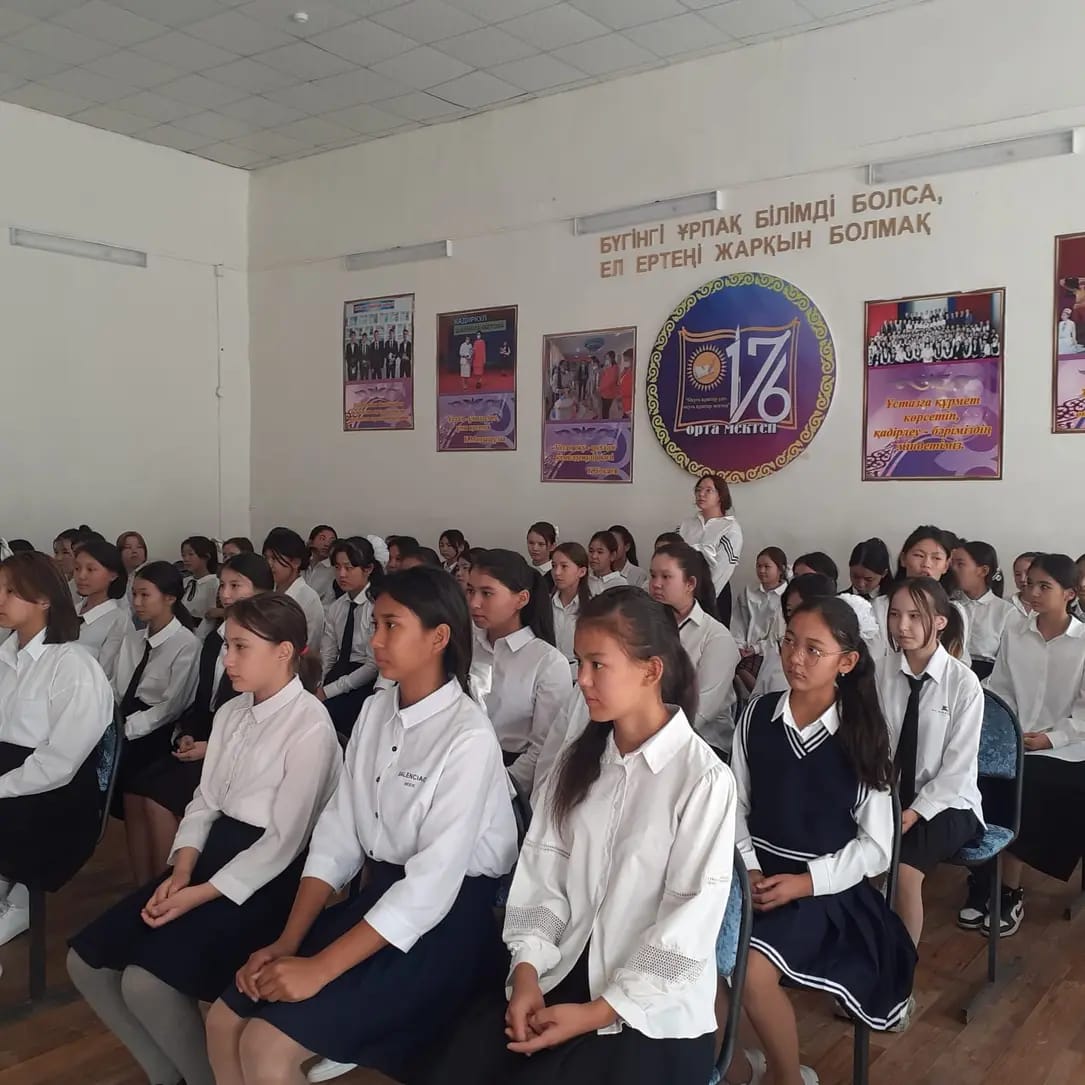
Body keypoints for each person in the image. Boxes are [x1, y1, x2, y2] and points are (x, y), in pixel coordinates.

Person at [206, 567, 518, 1085]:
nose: (375, 640)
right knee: (224, 1021)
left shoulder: (467, 736)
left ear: (438, 637)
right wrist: (289, 940)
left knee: (265, 1046)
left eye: (392, 625)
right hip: (378, 901)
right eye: (375, 624)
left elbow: (431, 887)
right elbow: (338, 836)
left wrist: (320, 968)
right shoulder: (375, 711)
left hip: (446, 922)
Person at [423, 587, 737, 1085]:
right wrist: (527, 972)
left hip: (648, 1010)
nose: (582, 680)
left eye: (597, 665)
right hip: (562, 971)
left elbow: (687, 924)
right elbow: (543, 879)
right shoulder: (579, 763)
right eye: (579, 663)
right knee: (457, 1063)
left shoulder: (703, 779)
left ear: (651, 671)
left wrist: (595, 1014)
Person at [68, 594, 341, 1085]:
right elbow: (204, 802)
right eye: (226, 645)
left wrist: (197, 893)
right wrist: (182, 871)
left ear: (283, 652)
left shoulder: (310, 726)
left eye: (240, 647)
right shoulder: (232, 712)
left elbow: (284, 842)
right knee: (86, 962)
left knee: (147, 984)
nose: (227, 659)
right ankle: (165, 1073)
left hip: (266, 878)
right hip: (209, 858)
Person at [730, 598, 916, 1085]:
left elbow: (877, 847)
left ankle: (788, 1078)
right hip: (752, 877)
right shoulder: (756, 716)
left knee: (752, 969)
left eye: (814, 649)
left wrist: (805, 883)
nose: (795, 657)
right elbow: (734, 807)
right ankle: (737, 1067)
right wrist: (750, 867)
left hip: (826, 890)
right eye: (790, 641)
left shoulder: (864, 734)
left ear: (846, 662)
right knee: (686, 950)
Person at [122, 554, 275, 857]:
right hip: (209, 738)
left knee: (158, 799)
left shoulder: (267, 643)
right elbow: (205, 700)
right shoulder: (216, 639)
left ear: (262, 591)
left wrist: (212, 747)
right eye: (222, 585)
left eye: (235, 586)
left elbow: (261, 719)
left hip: (240, 750)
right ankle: (146, 881)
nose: (225, 594)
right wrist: (188, 733)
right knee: (133, 792)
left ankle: (171, 878)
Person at [966, 553, 1085, 937]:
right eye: (1030, 583)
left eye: (1044, 586)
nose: (1032, 592)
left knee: (1027, 783)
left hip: (1068, 747)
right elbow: (999, 689)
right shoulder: (1015, 633)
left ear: (1069, 594)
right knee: (977, 773)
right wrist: (1007, 730)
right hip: (1015, 736)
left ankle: (1009, 890)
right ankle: (982, 875)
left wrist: (1051, 738)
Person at [0, 553, 113, 947]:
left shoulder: (73, 666)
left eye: (11, 591)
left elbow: (61, 762)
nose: (0, 599)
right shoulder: (6, 656)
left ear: (45, 599)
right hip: (14, 778)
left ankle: (19, 901)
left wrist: (2, 786)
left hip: (54, 796)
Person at [876, 579, 983, 947]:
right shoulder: (880, 673)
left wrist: (914, 812)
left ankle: (900, 972)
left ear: (939, 622)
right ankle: (858, 955)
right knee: (855, 856)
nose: (901, 626)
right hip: (891, 796)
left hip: (948, 803)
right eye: (894, 615)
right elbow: (873, 747)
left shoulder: (963, 683)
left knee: (905, 872)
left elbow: (958, 770)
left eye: (914, 616)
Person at [115, 562, 201, 884]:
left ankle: (160, 883)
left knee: (148, 801)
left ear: (170, 598)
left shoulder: (186, 643)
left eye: (145, 595)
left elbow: (171, 705)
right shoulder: (133, 639)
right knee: (130, 805)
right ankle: (141, 884)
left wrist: (128, 730)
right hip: (126, 723)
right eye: (134, 594)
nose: (136, 602)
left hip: (158, 733)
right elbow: (118, 688)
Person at [467, 549, 569, 796]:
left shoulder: (547, 662)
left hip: (511, 777)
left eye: (487, 593)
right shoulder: (467, 646)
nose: (474, 603)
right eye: (470, 591)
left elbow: (544, 747)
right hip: (462, 763)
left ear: (521, 599)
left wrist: (500, 788)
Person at [649, 543, 740, 756]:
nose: (656, 584)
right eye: (653, 576)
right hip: (648, 732)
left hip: (702, 744)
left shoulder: (716, 637)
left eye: (666, 577)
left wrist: (651, 738)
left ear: (690, 583)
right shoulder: (646, 626)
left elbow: (700, 712)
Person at [873, 527, 972, 667]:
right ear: (903, 559)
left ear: (946, 565)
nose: (926, 564)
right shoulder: (881, 605)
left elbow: (959, 659)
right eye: (919, 555)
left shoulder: (955, 610)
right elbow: (874, 657)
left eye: (936, 558)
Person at [319, 537, 383, 737]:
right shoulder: (337, 607)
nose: (342, 574)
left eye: (349, 567)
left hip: (365, 679)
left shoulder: (376, 606)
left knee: (330, 715)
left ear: (368, 569)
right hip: (340, 670)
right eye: (337, 567)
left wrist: (329, 691)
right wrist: (320, 684)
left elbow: (372, 666)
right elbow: (328, 654)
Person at [751, 573, 838, 699]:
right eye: (790, 610)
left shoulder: (831, 657)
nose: (795, 619)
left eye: (802, 610)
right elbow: (758, 693)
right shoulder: (779, 648)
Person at [677, 473, 742, 624]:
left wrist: (700, 599)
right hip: (682, 593)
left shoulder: (730, 528)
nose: (701, 494)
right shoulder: (686, 525)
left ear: (720, 496)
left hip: (713, 595)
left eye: (708, 490)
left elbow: (722, 569)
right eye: (698, 490)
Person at [950, 541, 1017, 679]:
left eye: (960, 564)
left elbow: (1009, 661)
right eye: (952, 563)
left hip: (988, 680)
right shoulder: (949, 605)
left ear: (983, 571)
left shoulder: (1006, 611)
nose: (952, 569)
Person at [73, 540, 132, 684]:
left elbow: (106, 673)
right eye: (77, 568)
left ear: (113, 575)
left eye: (91, 569)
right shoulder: (71, 610)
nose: (81, 576)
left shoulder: (119, 620)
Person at [733, 547, 789, 692]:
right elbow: (739, 621)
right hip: (744, 648)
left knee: (746, 671)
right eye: (759, 566)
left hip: (769, 651)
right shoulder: (748, 592)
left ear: (781, 569)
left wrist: (757, 648)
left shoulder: (787, 597)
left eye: (767, 567)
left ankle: (758, 697)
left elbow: (781, 634)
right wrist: (739, 645)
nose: (761, 570)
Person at [263, 528, 325, 655]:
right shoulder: (266, 592)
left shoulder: (309, 599)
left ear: (296, 562)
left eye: (274, 558)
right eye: (266, 558)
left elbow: (311, 646)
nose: (269, 564)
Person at [551, 542, 591, 674]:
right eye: (554, 566)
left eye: (564, 566)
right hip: (547, 672)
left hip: (578, 674)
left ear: (582, 571)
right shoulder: (545, 604)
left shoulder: (592, 607)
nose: (557, 572)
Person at [180, 536, 220, 626]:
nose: (186, 559)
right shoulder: (185, 581)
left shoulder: (214, 583)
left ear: (206, 556)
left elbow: (211, 616)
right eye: (183, 555)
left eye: (191, 554)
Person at [305, 526, 339, 605]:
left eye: (331, 541)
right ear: (311, 542)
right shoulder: (301, 564)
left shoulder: (334, 570)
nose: (327, 544)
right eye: (322, 539)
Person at [587, 531, 627, 596]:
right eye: (591, 551)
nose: (594, 556)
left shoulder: (620, 583)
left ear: (612, 556)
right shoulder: (584, 579)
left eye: (600, 552)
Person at [607, 525, 647, 589]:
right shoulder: (601, 570)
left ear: (627, 547)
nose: (611, 548)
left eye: (615, 544)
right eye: (608, 544)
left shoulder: (638, 574)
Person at [526, 522, 558, 589]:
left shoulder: (555, 574)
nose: (535, 548)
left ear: (552, 546)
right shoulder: (523, 567)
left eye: (541, 544)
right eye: (531, 543)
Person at [1009, 551, 1038, 618]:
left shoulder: (1052, 606)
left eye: (1027, 573)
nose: (1022, 579)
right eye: (1017, 574)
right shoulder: (1005, 604)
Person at [598, 350, 619, 420]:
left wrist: (601, 388)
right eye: (605, 358)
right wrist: (604, 370)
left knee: (606, 410)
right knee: (603, 409)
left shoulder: (615, 367)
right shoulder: (607, 367)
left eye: (607, 358)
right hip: (604, 392)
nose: (606, 360)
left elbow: (610, 381)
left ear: (611, 358)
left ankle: (605, 422)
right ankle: (603, 420)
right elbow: (603, 378)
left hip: (609, 393)